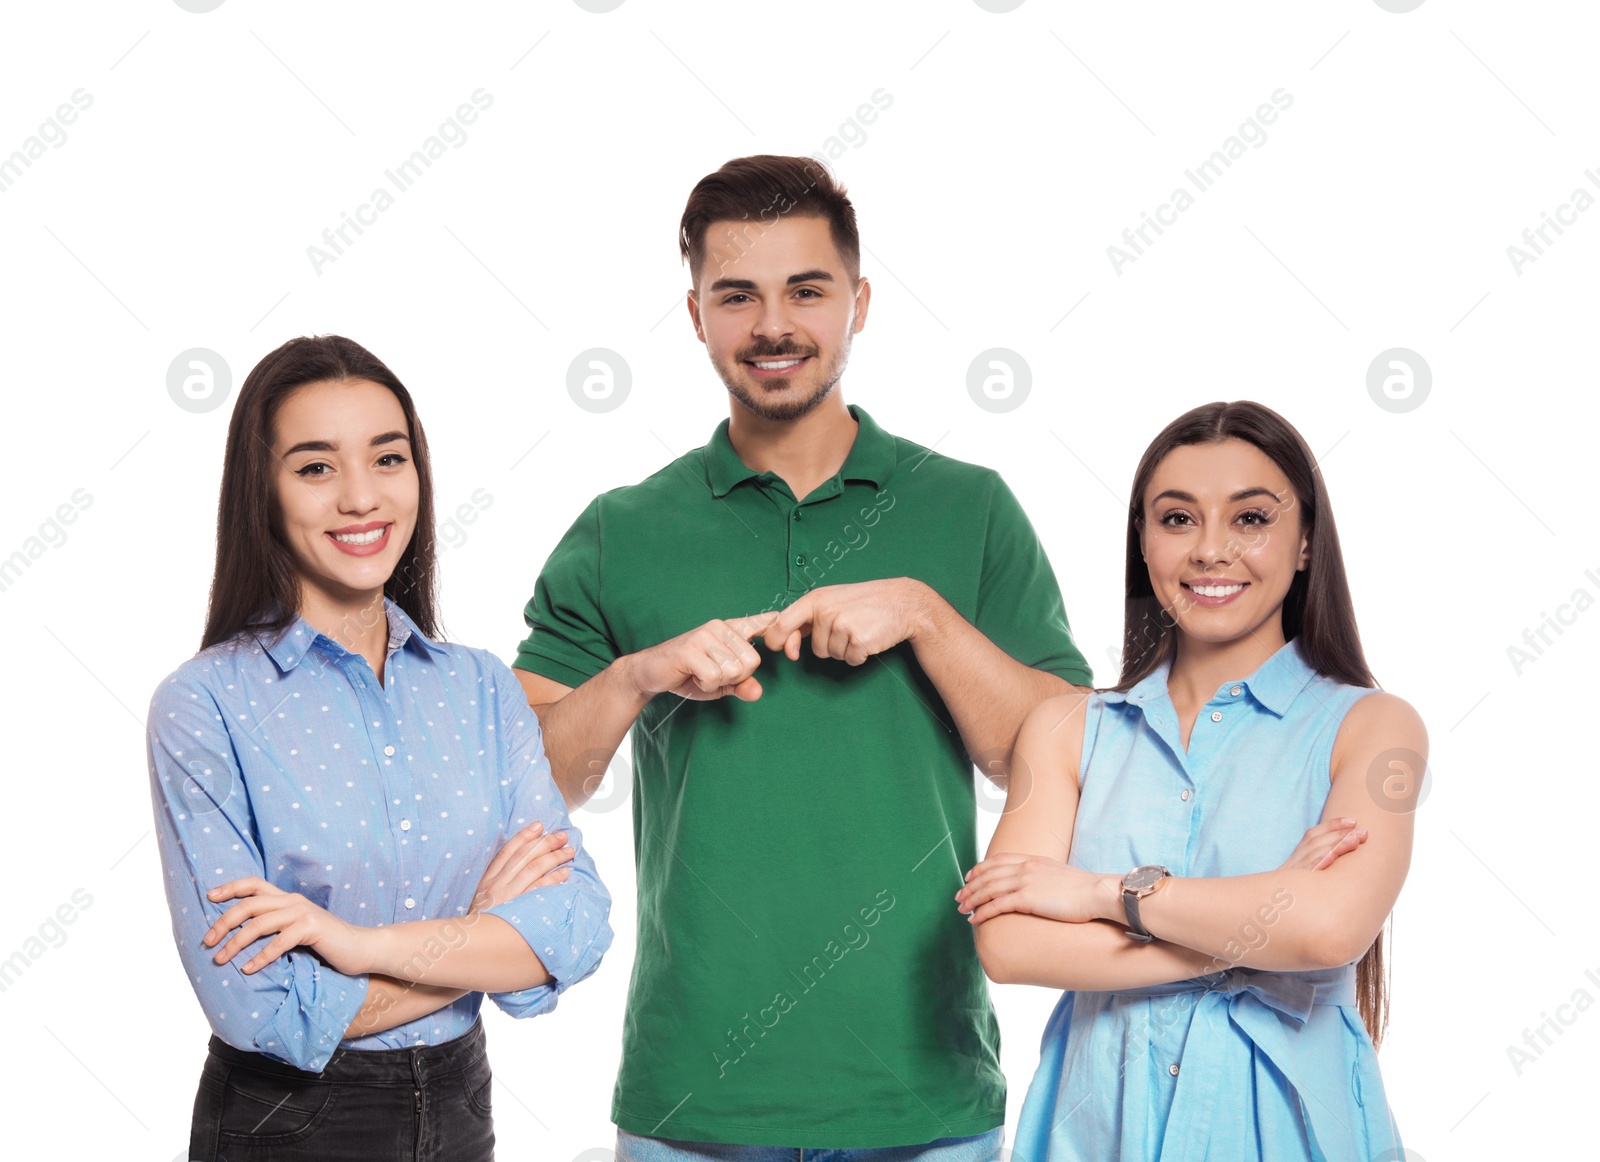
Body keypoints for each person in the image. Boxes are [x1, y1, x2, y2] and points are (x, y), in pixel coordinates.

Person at [512, 155, 1093, 1157]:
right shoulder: (621, 528)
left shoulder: (970, 508)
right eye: (736, 295)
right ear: (694, 314)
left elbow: (1051, 760)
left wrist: (924, 615)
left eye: (805, 291)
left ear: (858, 303)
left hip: (924, 1094)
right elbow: (535, 779)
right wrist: (639, 673)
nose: (771, 324)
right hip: (692, 1100)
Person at [146, 334, 613, 1162]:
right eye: (316, 466)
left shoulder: (480, 688)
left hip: (462, 1104)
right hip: (287, 1124)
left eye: (388, 458)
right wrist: (481, 936)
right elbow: (264, 1010)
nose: (362, 497)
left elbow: (574, 928)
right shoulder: (204, 705)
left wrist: (357, 946)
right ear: (264, 493)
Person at [956, 400, 1421, 1160]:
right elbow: (1009, 946)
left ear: (1305, 542)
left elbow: (1331, 928)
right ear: (1143, 542)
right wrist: (1257, 934)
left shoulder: (1375, 727)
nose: (1210, 550)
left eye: (1250, 519)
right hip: (1099, 1126)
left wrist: (1102, 895)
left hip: (1286, 1129)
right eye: (1176, 519)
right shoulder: (1067, 729)